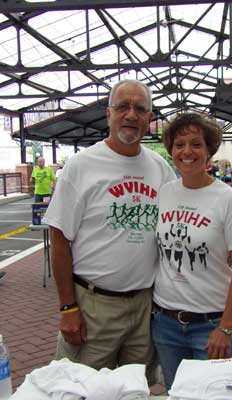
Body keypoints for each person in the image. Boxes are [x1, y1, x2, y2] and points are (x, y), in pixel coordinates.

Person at [43, 79, 176, 383]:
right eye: (123, 106)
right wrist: (67, 308)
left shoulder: (160, 168)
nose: (131, 114)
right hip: (93, 306)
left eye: (140, 109)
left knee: (136, 388)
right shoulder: (81, 165)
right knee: (81, 387)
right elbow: (59, 239)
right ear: (109, 114)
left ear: (149, 118)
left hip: (145, 305)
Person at [151, 112, 232, 390]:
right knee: (178, 393)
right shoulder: (164, 194)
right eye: (179, 144)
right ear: (171, 149)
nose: (187, 151)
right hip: (166, 323)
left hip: (212, 323)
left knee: (216, 394)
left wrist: (225, 326)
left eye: (196, 144)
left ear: (209, 150)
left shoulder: (229, 200)